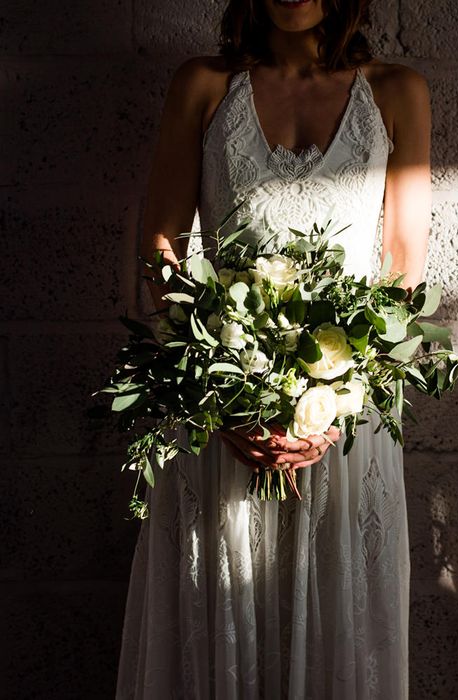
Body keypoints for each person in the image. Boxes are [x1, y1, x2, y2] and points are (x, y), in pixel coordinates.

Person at [115, 0, 431, 697]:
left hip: (344, 418)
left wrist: (332, 405)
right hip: (218, 409)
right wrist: (222, 393)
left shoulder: (396, 92)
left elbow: (403, 273)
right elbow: (162, 252)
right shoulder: (202, 85)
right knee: (216, 609)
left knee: (335, 616)